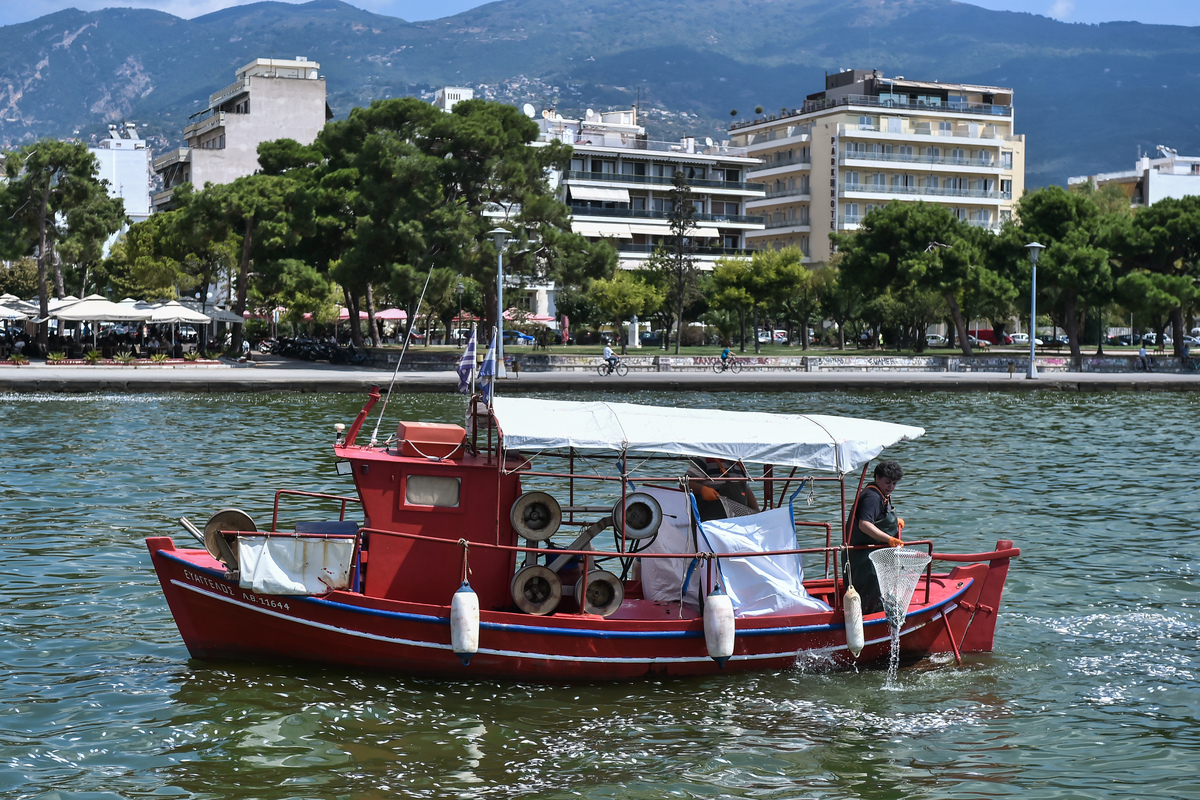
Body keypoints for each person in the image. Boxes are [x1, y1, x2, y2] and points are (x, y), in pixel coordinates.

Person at [843, 460, 905, 615]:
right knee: (868, 595)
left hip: (872, 555)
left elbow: (877, 518)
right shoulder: (872, 497)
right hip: (863, 558)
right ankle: (866, 619)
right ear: (877, 478)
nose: (890, 487)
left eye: (894, 483)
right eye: (888, 482)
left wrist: (894, 522)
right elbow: (864, 524)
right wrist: (889, 539)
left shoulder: (881, 494)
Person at [688, 457, 761, 521]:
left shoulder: (739, 464)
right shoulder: (704, 460)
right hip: (711, 520)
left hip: (737, 520)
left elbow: (747, 490)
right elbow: (685, 482)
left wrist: (758, 515)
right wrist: (702, 489)